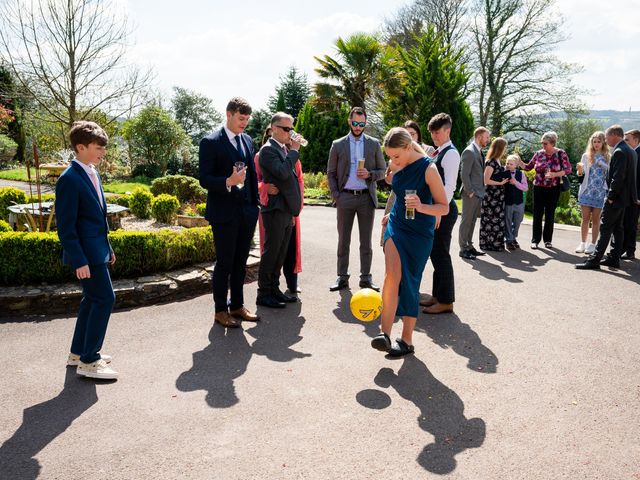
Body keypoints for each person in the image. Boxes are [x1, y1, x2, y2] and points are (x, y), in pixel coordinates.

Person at [371, 128, 449, 357]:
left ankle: (406, 340)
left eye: (396, 156)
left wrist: (422, 207)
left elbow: (443, 207)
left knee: (411, 282)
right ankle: (383, 334)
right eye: (390, 156)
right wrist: (391, 212)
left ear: (408, 147)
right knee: (391, 275)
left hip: (419, 232)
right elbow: (395, 185)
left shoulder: (429, 168)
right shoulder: (398, 161)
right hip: (397, 225)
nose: (392, 161)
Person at [56, 121, 118, 380]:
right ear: (80, 147)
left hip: (97, 250)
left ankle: (78, 353)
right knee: (105, 298)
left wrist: (109, 248)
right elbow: (66, 227)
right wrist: (79, 260)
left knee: (92, 300)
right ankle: (90, 361)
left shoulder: (92, 172)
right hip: (85, 256)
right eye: (97, 147)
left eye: (103, 147)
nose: (102, 152)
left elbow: (98, 218)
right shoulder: (69, 179)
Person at [199, 97, 260, 328]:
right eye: (241, 118)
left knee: (240, 262)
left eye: (247, 119)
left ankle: (237, 305)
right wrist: (228, 181)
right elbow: (204, 178)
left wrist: (255, 205)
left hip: (247, 211)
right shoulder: (210, 141)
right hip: (223, 213)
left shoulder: (247, 140)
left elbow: (252, 175)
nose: (244, 123)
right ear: (229, 115)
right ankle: (220, 310)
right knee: (224, 263)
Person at [327, 106, 386, 292]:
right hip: (345, 197)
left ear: (365, 123)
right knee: (343, 239)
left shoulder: (374, 144)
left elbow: (383, 171)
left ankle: (365, 277)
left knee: (366, 241)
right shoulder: (338, 144)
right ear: (349, 121)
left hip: (366, 198)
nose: (358, 127)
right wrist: (337, 195)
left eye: (362, 123)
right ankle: (342, 277)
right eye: (355, 123)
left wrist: (369, 174)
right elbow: (331, 173)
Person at [256, 112, 303, 308]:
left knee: (281, 253)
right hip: (274, 210)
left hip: (286, 210)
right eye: (286, 129)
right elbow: (283, 173)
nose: (290, 133)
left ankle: (274, 289)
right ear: (274, 128)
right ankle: (263, 293)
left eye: (291, 128)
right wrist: (294, 151)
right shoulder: (268, 151)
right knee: (271, 253)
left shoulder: (282, 149)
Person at [576, 125, 638, 270]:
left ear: (614, 135)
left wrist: (610, 196)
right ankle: (614, 258)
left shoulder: (619, 151)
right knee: (618, 228)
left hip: (616, 198)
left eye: (606, 137)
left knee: (605, 227)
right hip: (624, 198)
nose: (605, 140)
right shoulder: (630, 151)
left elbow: (618, 177)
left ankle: (595, 260)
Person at [421, 113, 461, 315]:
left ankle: (446, 301)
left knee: (440, 253)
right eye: (432, 133)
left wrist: (439, 210)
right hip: (439, 208)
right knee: (435, 252)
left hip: (444, 209)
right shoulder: (440, 151)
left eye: (437, 132)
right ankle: (438, 296)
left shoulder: (451, 153)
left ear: (447, 130)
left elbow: (449, 187)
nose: (434, 136)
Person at [519, 131, 571, 249]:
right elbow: (528, 167)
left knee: (549, 214)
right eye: (542, 143)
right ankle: (535, 240)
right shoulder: (538, 154)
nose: (543, 146)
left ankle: (548, 240)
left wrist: (555, 174)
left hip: (554, 188)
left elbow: (568, 169)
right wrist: (519, 162)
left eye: (545, 143)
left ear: (552, 143)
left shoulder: (560, 153)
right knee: (537, 214)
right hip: (538, 187)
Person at [575, 131, 610, 254]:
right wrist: (579, 171)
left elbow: (611, 172)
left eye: (599, 141)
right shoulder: (586, 155)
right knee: (585, 219)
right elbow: (581, 175)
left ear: (603, 142)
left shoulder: (607, 156)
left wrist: (603, 164)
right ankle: (582, 243)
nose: (596, 144)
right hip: (586, 190)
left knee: (596, 220)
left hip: (600, 192)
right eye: (594, 141)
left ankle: (593, 244)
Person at [459, 126, 491, 259]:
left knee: (472, 221)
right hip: (470, 193)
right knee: (466, 221)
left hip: (478, 193)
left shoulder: (478, 151)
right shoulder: (469, 151)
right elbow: (464, 174)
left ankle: (469, 246)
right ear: (479, 137)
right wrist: (470, 191)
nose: (488, 140)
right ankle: (463, 249)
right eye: (486, 137)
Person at [479, 137, 509, 252]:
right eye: (504, 147)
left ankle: (495, 244)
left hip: (498, 196)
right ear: (500, 148)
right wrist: (500, 182)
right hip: (491, 197)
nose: (506, 150)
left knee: (496, 220)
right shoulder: (491, 162)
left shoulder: (497, 160)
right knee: (490, 220)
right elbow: (486, 180)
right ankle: (488, 244)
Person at [618, 129, 640, 259]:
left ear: (636, 140)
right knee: (626, 222)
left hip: (636, 196)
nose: (624, 142)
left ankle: (630, 251)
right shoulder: (631, 152)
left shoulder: (636, 153)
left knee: (631, 223)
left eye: (627, 140)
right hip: (630, 194)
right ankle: (623, 249)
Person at [503, 154, 528, 250]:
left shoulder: (521, 174)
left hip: (519, 202)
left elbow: (525, 188)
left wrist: (515, 183)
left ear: (516, 165)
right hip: (508, 202)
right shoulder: (504, 173)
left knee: (518, 221)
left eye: (511, 164)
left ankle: (513, 237)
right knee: (508, 221)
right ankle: (509, 240)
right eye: (507, 163)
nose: (508, 165)